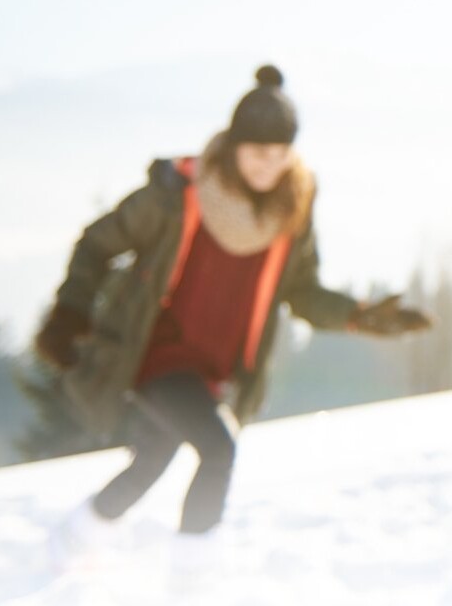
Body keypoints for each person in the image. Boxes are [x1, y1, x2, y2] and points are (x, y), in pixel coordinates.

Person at [34, 65, 431, 554]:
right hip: (155, 353)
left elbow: (302, 291)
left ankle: (77, 537)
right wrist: (70, 311)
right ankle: (190, 572)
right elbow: (96, 243)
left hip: (214, 367)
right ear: (234, 144)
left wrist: (359, 315)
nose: (269, 165)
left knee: (153, 459)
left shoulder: (291, 211)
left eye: (280, 154)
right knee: (218, 450)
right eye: (258, 152)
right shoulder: (177, 196)